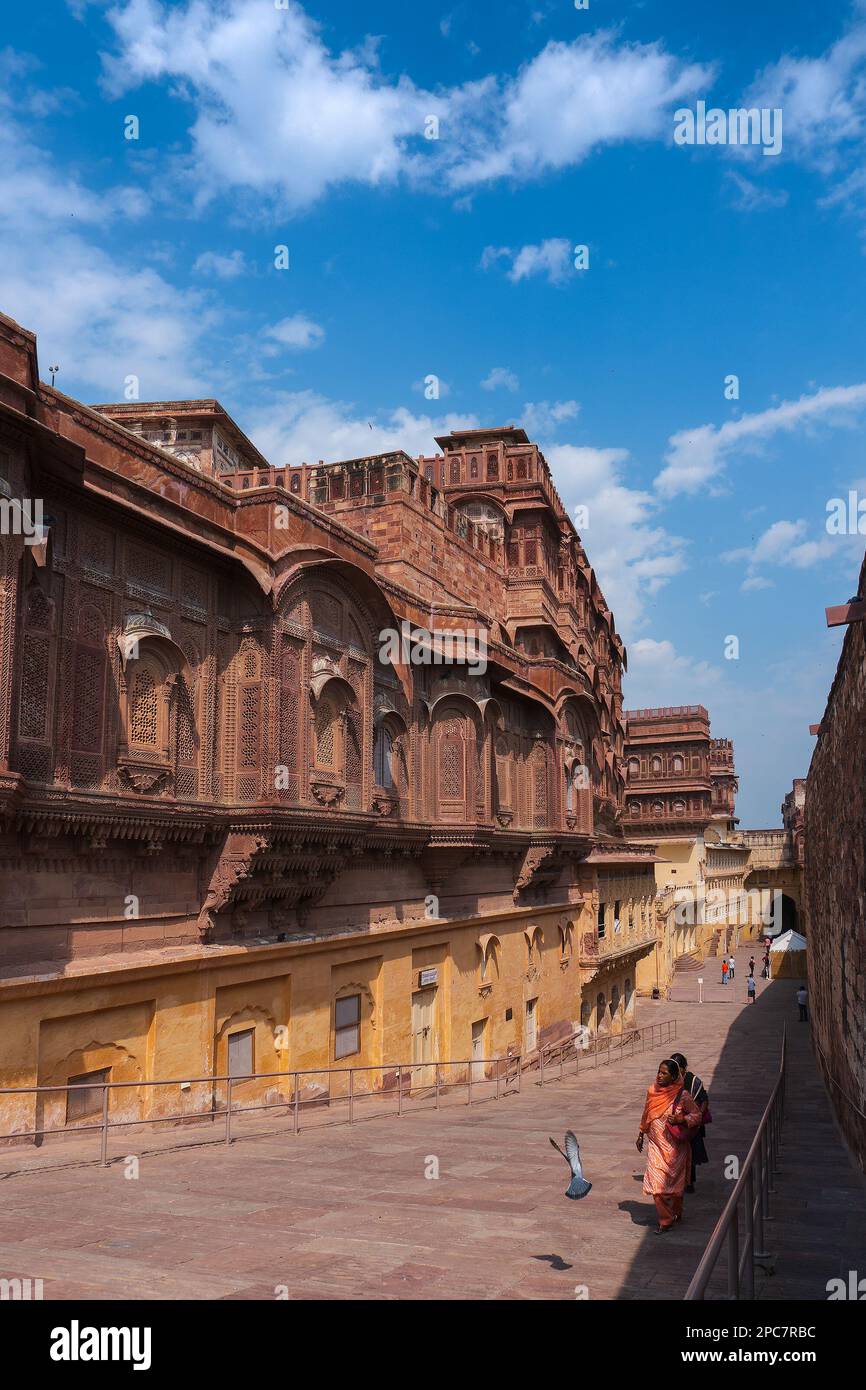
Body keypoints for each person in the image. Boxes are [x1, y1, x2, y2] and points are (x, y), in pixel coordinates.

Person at [636, 1057, 702, 1232]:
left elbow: (697, 1115)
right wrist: (641, 1133)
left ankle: (676, 1212)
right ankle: (665, 1220)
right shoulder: (652, 1091)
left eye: (664, 1073)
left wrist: (682, 1118)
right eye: (659, 1071)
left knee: (675, 1189)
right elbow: (647, 1112)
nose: (659, 1076)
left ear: (674, 1077)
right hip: (656, 1147)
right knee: (657, 1187)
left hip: (676, 1150)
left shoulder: (683, 1096)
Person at [670, 1052, 710, 1193]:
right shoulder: (669, 1079)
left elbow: (704, 1099)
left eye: (678, 1067)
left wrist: (696, 1117)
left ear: (683, 1068)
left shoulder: (693, 1081)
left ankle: (689, 1182)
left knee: (690, 1153)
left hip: (690, 1124)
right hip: (673, 1123)